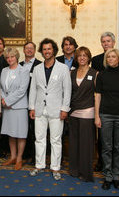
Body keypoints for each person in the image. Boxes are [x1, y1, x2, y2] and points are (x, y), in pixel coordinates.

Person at [28, 38, 71, 181]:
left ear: (54, 50)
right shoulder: (37, 68)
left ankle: (55, 168)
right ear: (42, 51)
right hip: (40, 109)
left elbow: (67, 90)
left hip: (57, 110)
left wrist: (65, 109)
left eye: (49, 49)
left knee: (56, 140)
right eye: (44, 49)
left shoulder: (63, 68)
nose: (47, 51)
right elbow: (33, 90)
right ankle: (39, 165)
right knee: (39, 139)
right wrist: (32, 107)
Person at [95, 48, 119, 190]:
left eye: (113, 57)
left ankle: (116, 176)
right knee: (106, 147)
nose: (111, 59)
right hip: (105, 115)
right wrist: (97, 116)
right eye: (108, 57)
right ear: (106, 60)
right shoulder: (102, 75)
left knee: (118, 147)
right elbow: (97, 96)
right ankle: (108, 176)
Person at [91, 31, 119, 172]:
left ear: (113, 42)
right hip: (103, 104)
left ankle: (115, 167)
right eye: (103, 41)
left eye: (108, 41)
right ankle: (102, 162)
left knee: (117, 141)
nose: (106, 43)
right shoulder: (95, 60)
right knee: (103, 139)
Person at [68, 46, 98, 182]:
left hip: (88, 112)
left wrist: (98, 115)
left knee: (86, 144)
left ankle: (85, 173)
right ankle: (74, 170)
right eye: (79, 55)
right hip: (73, 112)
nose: (82, 58)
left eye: (85, 55)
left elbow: (98, 95)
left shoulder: (95, 73)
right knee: (74, 143)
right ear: (76, 58)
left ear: (88, 58)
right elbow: (69, 93)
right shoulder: (71, 73)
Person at [0, 47, 30, 170]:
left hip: (19, 107)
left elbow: (22, 90)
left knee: (20, 133)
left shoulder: (24, 70)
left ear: (16, 57)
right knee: (11, 133)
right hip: (7, 107)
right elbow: (1, 87)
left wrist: (7, 101)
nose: (9, 59)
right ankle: (12, 157)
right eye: (7, 57)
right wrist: (3, 99)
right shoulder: (4, 70)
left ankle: (19, 158)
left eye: (12, 57)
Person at [19, 42, 42, 164]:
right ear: (23, 50)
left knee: (35, 130)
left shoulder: (40, 65)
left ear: (35, 50)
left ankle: (34, 156)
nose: (29, 50)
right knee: (23, 129)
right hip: (21, 103)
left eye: (31, 48)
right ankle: (24, 154)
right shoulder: (19, 65)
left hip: (35, 103)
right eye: (27, 48)